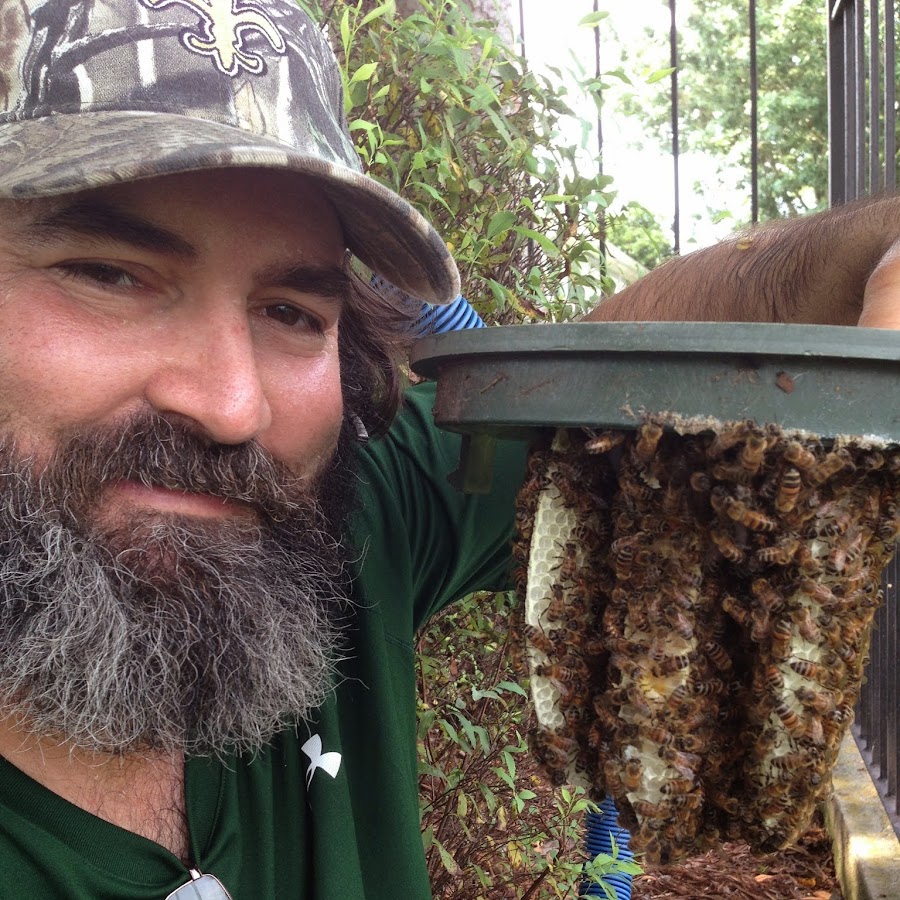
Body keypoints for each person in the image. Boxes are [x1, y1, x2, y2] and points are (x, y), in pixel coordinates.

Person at [0, 2, 895, 899]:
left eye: (290, 312)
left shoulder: (320, 537)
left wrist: (877, 250)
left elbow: (610, 390)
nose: (232, 407)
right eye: (110, 273)